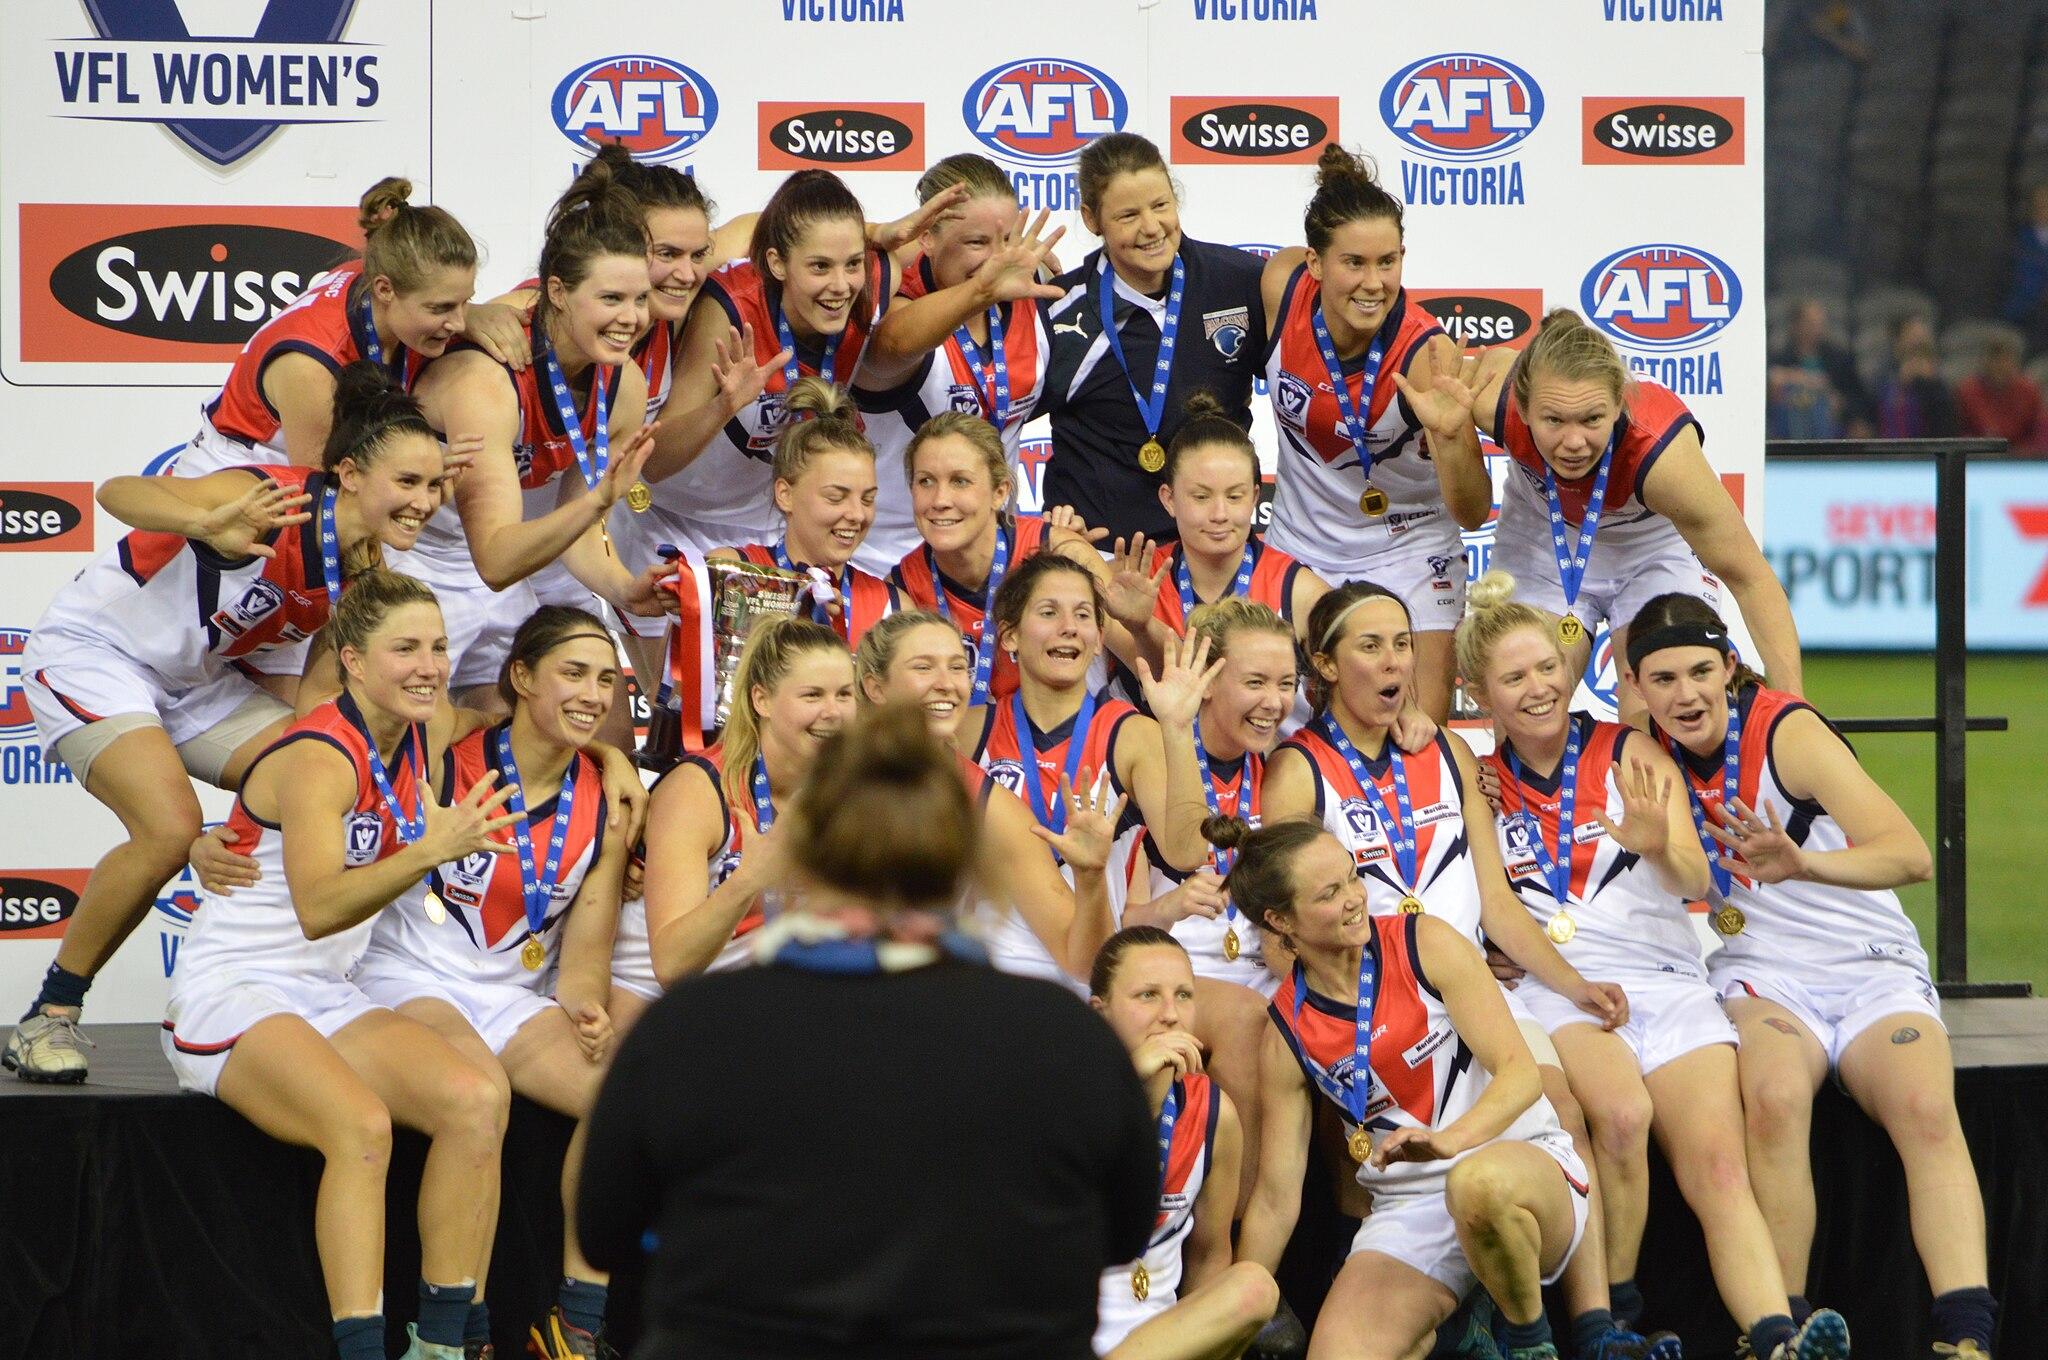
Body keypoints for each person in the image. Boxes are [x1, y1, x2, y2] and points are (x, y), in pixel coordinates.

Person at [577, 702, 1158, 1360]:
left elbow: (606, 1232)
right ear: (966, 857)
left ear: (805, 850)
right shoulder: (1067, 1040)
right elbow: (1124, 1233)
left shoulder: (691, 1030)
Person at [6, 366, 446, 1082]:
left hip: (197, 683)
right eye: (408, 482)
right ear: (349, 474)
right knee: (168, 830)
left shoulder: (363, 563)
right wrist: (201, 522)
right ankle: (49, 1015)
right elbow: (116, 492)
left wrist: (239, 825)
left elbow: (317, 708)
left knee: (319, 765)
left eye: (434, 485)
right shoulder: (271, 499)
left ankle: (304, 986)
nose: (424, 501)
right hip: (97, 654)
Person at [1463, 570, 1850, 1357]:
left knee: (1720, 1168)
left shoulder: (1628, 748)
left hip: (1668, 982)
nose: (1538, 688)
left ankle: (1777, 1336)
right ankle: (1612, 1322)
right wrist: (1560, 980)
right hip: (1560, 988)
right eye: (1515, 677)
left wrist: (1657, 845)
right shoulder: (1478, 780)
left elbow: (1695, 879)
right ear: (1479, 693)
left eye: (1548, 667)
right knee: (1620, 1115)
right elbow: (1492, 905)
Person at [157, 571, 517, 1360]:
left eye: (439, 648)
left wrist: (616, 766)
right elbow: (319, 907)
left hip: (325, 989)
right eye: (405, 649)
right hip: (236, 988)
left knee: (475, 1101)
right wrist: (428, 851)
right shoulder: (320, 754)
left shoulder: (420, 726)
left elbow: (500, 719)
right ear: (352, 661)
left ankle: (444, 1346)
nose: (429, 666)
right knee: (361, 1127)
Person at [1628, 593, 1993, 1360]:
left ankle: (1966, 1337)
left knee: (1926, 1106)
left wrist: (1804, 864)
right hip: (1764, 973)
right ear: (1636, 687)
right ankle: (1783, 1334)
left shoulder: (1786, 731)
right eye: (1663, 679)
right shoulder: (1641, 751)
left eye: (1700, 672)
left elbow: (1911, 855)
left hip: (1868, 962)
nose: (1685, 695)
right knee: (1774, 1097)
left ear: (1730, 666)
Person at [351, 607, 631, 1360]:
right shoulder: (449, 754)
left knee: (624, 1101)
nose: (593, 695)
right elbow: (389, 705)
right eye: (574, 674)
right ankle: (454, 1337)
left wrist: (586, 1008)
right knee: (482, 1095)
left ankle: (575, 1323)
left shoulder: (606, 801)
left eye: (607, 681)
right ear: (522, 677)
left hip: (509, 994)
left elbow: (586, 949)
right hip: (406, 972)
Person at [1231, 819, 1594, 1360]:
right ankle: (1457, 1333)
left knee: (1477, 1184)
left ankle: (1529, 1342)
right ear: (1279, 920)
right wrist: (1236, 1306)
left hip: (1521, 1167)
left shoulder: (1423, 941)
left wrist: (1451, 1140)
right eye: (1329, 894)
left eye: (1353, 877)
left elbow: (1521, 1073)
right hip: (1410, 1206)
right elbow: (1275, 1199)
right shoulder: (1287, 1029)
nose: (1354, 898)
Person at [402, 160, 670, 719]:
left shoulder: (623, 385)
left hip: (514, 560)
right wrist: (595, 504)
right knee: (431, 744)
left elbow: (575, 528)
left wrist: (623, 588)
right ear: (557, 293)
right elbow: (495, 560)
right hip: (419, 562)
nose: (632, 318)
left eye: (641, 299)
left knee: (602, 727)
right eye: (611, 299)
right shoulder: (488, 381)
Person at [1457, 309, 1802, 715]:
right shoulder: (1489, 397)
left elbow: (1753, 579)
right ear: (1523, 407)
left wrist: (1795, 714)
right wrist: (1445, 434)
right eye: (1553, 420)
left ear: (1619, 404)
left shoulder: (1662, 456)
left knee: (1653, 712)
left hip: (1650, 549)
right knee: (1524, 705)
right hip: (1545, 537)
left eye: (1592, 419)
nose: (1574, 442)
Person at [1259, 145, 1483, 722]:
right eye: (1354, 262)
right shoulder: (1282, 285)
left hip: (1407, 551)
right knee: (1278, 726)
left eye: (1388, 262)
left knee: (1415, 733)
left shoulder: (1427, 355)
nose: (1373, 283)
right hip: (1299, 547)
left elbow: (1473, 511)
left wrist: (1451, 438)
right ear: (1315, 263)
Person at [634, 169, 920, 556]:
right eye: (820, 266)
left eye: (853, 264)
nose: (841, 285)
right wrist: (725, 405)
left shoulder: (878, 282)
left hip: (776, 527)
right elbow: (655, 462)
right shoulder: (732, 310)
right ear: (777, 263)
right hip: (675, 520)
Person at [852, 609, 1122, 982]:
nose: (947, 684)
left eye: (957, 667)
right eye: (923, 667)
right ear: (875, 687)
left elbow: (1084, 963)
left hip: (921, 993)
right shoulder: (830, 777)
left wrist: (1091, 878)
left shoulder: (989, 805)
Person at [964, 554, 1214, 933]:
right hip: (985, 958)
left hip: (1093, 960)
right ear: (1010, 635)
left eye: (1082, 615)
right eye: (1049, 612)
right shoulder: (970, 731)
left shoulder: (1130, 735)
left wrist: (1178, 728)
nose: (1069, 627)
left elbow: (1187, 853)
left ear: (1099, 638)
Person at [173, 177, 490, 477]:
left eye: (466, 302)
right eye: (441, 308)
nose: (460, 322)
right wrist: (426, 471)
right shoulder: (311, 366)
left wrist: (481, 315)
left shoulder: (384, 276)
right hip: (239, 472)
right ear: (384, 289)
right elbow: (322, 493)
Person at [1040, 133, 1270, 542]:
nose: (1151, 227)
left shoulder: (1241, 282)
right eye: (1128, 215)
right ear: (1091, 219)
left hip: (1214, 549)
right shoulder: (1060, 310)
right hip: (1101, 554)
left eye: (1161, 205)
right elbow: (989, 421)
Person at [855, 152, 1065, 573]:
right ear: (927, 239)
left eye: (1006, 240)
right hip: (886, 560)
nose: (997, 259)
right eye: (977, 243)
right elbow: (891, 346)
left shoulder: (1031, 287)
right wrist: (983, 290)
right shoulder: (898, 302)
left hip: (993, 555)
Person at [1087, 926, 1279, 1359]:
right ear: (1100, 1013)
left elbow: (1209, 1257)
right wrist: (1127, 1088)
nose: (1170, 1014)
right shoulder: (1060, 1102)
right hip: (1072, 1332)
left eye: (1184, 995)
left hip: (1162, 1338)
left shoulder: (1214, 1115)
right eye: (1148, 996)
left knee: (1253, 1286)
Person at [635, 617, 857, 985]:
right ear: (762, 700)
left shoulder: (849, 786)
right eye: (812, 695)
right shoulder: (697, 790)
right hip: (665, 993)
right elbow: (671, 965)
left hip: (767, 985)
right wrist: (749, 878)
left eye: (845, 695)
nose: (833, 712)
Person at [1117, 393, 1331, 723]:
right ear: (1169, 499)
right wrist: (1062, 535)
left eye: (1234, 496)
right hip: (1158, 753)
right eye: (1201, 497)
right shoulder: (1136, 580)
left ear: (1255, 497)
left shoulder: (1299, 590)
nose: (1220, 514)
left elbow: (1357, 670)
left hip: (1269, 755)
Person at [705, 378, 901, 647]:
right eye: (836, 497)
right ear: (785, 494)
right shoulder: (728, 574)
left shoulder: (892, 608)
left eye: (868, 499)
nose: (857, 514)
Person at [888, 411, 1052, 704]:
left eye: (960, 481)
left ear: (999, 492)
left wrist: (1136, 624)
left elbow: (1136, 660)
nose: (940, 500)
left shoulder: (1054, 550)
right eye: (926, 481)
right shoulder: (900, 590)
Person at [1767, 299, 1869, 440]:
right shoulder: (1780, 358)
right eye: (1810, 323)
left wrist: (1841, 404)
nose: (1816, 329)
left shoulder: (1839, 358)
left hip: (1835, 424)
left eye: (1820, 323)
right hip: (1790, 423)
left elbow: (1858, 397)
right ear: (1796, 325)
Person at [1953, 330, 2045, 453]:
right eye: (1995, 359)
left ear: (2016, 362)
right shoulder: (1966, 391)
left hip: (2021, 457)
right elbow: (1959, 433)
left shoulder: (2029, 391)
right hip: (1978, 456)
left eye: (2006, 359)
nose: (2000, 365)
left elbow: (2038, 433)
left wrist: (2021, 453)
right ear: (1983, 361)